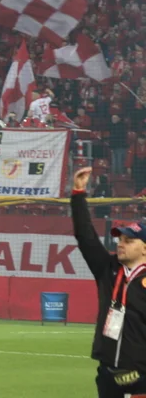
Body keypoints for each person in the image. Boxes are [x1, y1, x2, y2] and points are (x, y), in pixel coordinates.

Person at [70, 167, 146, 397]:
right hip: (108, 375)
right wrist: (78, 193)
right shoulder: (108, 269)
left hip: (142, 377)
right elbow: (85, 236)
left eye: (129, 240)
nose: (120, 244)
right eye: (120, 239)